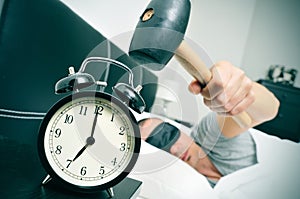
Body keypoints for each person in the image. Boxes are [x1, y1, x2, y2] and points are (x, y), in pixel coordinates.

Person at [138, 61, 280, 187]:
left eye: (166, 136)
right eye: (160, 150)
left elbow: (269, 109)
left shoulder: (210, 133)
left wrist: (238, 89)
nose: (174, 150)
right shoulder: (191, 188)